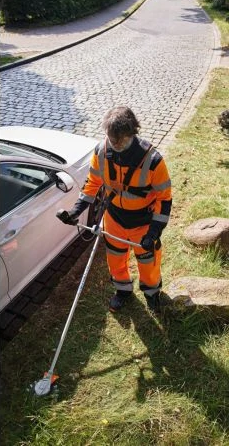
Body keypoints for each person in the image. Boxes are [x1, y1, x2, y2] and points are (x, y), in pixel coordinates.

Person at [57, 106, 172, 314]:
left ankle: (152, 293)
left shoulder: (153, 161)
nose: (116, 144)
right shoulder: (101, 152)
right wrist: (76, 211)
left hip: (143, 222)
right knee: (115, 258)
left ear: (133, 132)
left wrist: (154, 232)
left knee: (148, 261)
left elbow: (164, 199)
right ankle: (123, 290)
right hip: (114, 219)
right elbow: (93, 183)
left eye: (122, 140)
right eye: (112, 139)